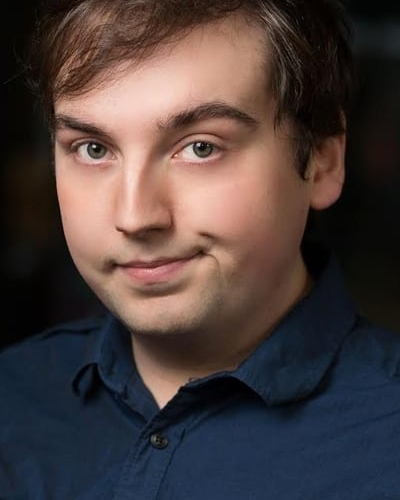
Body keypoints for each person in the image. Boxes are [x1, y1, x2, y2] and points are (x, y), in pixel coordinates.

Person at [1, 0, 399, 498]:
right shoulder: (11, 395)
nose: (135, 217)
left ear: (322, 160)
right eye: (93, 149)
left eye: (200, 147)